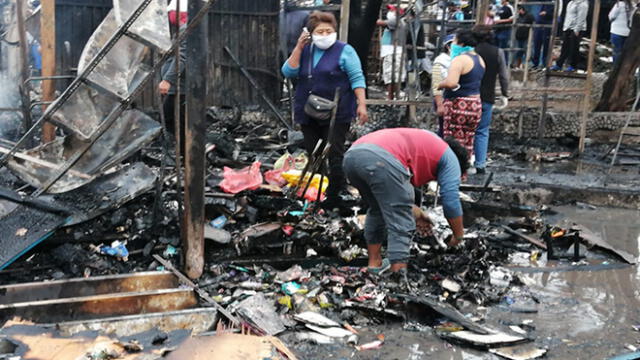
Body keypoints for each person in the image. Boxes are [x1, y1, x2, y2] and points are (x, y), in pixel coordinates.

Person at [343, 128, 469, 273]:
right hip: (381, 159)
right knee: (400, 220)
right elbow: (451, 201)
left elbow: (390, 195)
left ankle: (374, 264)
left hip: (352, 157)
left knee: (377, 208)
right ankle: (398, 275)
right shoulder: (450, 159)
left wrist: (416, 212)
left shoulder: (429, 144)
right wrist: (458, 235)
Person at [282, 11, 368, 208]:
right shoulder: (305, 50)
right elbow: (288, 71)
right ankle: (318, 192)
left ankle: (336, 193)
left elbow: (357, 78)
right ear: (310, 33)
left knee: (334, 151)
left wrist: (361, 104)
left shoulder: (345, 51)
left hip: (337, 112)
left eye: (328, 31)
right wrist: (298, 46)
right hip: (308, 110)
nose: (325, 34)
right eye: (320, 31)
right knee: (314, 152)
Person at [437, 28, 485, 159]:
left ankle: (452, 174)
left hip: (458, 105)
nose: (453, 45)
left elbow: (452, 83)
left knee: (452, 143)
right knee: (467, 141)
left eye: (455, 41)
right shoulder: (479, 59)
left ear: (462, 43)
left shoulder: (460, 60)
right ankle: (463, 172)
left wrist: (440, 84)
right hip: (475, 105)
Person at [473, 25, 509, 175]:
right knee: (482, 130)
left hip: (468, 95)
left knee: (466, 130)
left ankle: (461, 162)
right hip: (487, 97)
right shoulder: (498, 52)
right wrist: (505, 94)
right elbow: (503, 76)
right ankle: (480, 163)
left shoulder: (471, 52)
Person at [159, 3, 187, 143]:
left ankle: (191, 153)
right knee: (175, 120)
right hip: (178, 86)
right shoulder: (179, 31)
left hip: (180, 87)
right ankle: (185, 154)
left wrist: (168, 80)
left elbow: (182, 57)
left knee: (172, 119)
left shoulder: (185, 29)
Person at [377, 5, 407, 99]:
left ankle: (391, 97)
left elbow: (379, 22)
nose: (389, 12)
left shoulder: (396, 20)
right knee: (391, 76)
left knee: (392, 77)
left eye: (391, 10)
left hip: (393, 52)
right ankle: (393, 96)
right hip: (391, 52)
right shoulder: (398, 22)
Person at [550, 0, 588, 72]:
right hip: (568, 28)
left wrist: (577, 30)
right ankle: (559, 64)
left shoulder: (583, 4)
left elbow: (581, 18)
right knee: (565, 47)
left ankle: (573, 66)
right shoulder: (571, 2)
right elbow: (568, 16)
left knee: (574, 48)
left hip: (576, 29)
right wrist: (565, 27)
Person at [432, 34, 455, 137]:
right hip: (444, 99)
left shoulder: (459, 60)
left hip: (455, 100)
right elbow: (436, 83)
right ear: (448, 46)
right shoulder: (440, 61)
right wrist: (440, 105)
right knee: (444, 130)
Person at [531, 2, 555, 69]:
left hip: (547, 25)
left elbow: (556, 15)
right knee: (536, 44)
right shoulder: (541, 3)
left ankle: (545, 64)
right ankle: (535, 64)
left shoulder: (554, 3)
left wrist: (546, 13)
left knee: (546, 45)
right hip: (538, 25)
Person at [609, 0, 633, 64]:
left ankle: (615, 69)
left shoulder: (619, 5)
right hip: (627, 32)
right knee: (626, 53)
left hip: (617, 32)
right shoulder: (632, 6)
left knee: (617, 52)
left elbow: (611, 16)